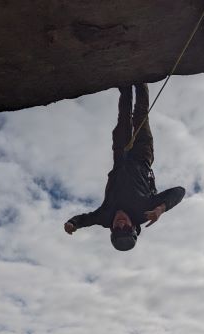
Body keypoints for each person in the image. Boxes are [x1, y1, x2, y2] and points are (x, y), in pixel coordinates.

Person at [64, 83, 185, 251]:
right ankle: (141, 82)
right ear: (134, 228)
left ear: (112, 230)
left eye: (117, 230)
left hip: (121, 156)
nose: (121, 224)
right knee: (140, 115)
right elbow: (179, 191)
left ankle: (126, 87)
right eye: (126, 229)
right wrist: (161, 209)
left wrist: (72, 223)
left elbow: (85, 219)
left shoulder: (104, 216)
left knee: (123, 119)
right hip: (142, 156)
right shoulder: (144, 212)